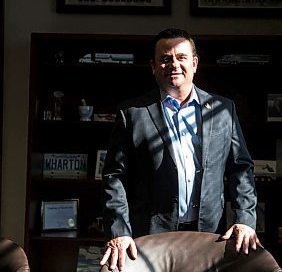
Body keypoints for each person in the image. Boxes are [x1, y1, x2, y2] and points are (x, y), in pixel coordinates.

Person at [100, 28, 260, 271]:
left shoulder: (223, 109)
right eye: (165, 59)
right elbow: (115, 177)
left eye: (181, 57)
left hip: (209, 234)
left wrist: (245, 219)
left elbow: (241, 169)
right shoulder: (132, 113)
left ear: (194, 63)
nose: (173, 64)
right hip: (150, 236)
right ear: (153, 67)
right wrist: (119, 231)